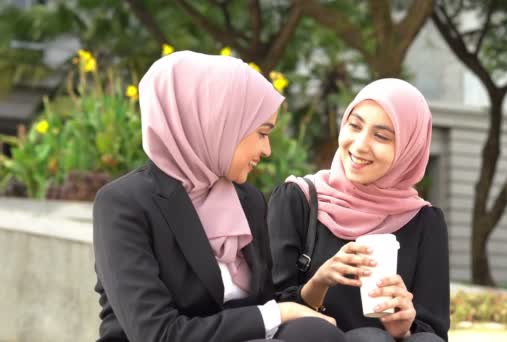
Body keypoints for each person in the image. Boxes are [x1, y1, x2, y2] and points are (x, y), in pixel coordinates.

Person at [92, 51, 345, 342]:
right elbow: (158, 334)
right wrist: (279, 313)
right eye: (262, 133)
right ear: (217, 123)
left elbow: (268, 304)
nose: (267, 150)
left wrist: (318, 285)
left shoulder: (247, 199)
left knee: (321, 334)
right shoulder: (125, 204)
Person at [268, 79, 450, 342]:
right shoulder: (299, 200)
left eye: (381, 136)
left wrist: (404, 327)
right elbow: (270, 309)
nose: (360, 145)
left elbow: (434, 330)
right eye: (355, 126)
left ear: (409, 149)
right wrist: (319, 283)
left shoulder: (424, 221)